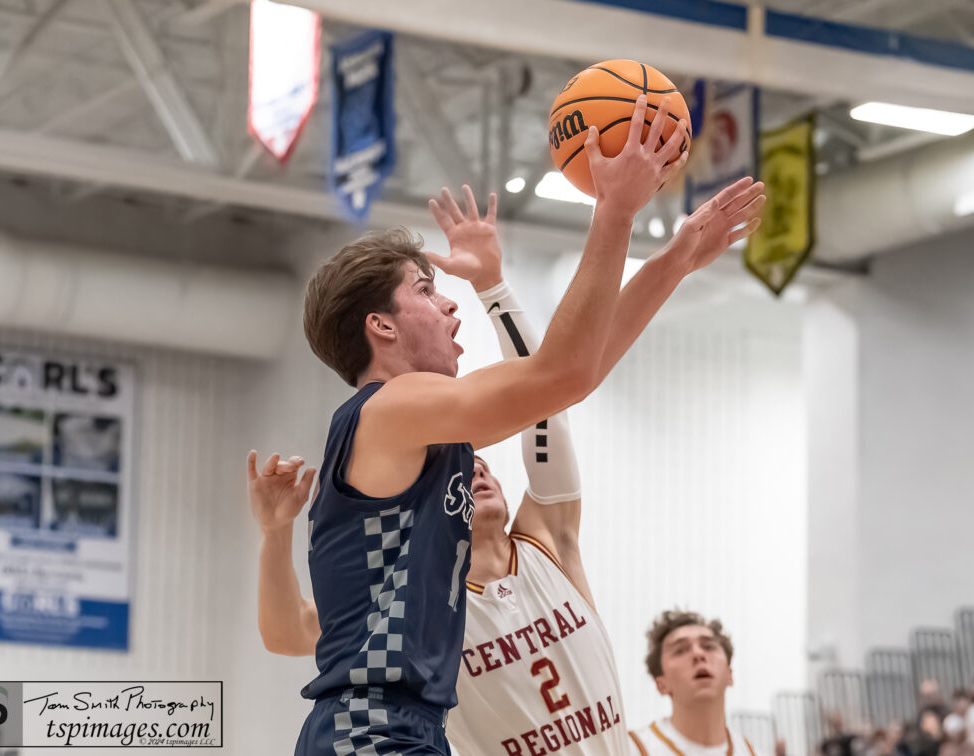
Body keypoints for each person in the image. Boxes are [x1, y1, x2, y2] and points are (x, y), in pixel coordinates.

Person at [252, 96, 762, 756]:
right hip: (374, 733)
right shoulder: (390, 409)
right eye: (428, 292)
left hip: (402, 731)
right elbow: (561, 376)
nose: (450, 309)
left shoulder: (415, 435)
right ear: (381, 325)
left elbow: (573, 376)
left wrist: (673, 264)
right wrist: (614, 213)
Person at [629, 610, 767, 756]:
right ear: (661, 684)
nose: (698, 654)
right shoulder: (627, 749)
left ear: (729, 674)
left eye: (709, 647)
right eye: (680, 650)